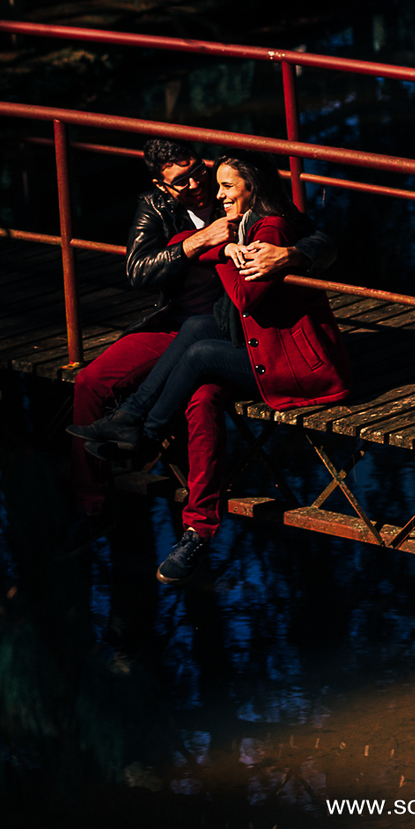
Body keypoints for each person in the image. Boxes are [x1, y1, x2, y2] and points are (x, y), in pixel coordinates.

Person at [74, 153, 351, 582]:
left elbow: (319, 241)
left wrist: (292, 255)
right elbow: (139, 269)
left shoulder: (265, 217)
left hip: (250, 341)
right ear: (162, 185)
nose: (197, 185)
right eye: (180, 180)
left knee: (201, 393)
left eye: (199, 173)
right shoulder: (158, 207)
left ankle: (196, 526)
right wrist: (207, 242)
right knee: (91, 380)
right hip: (190, 327)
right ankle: (96, 501)